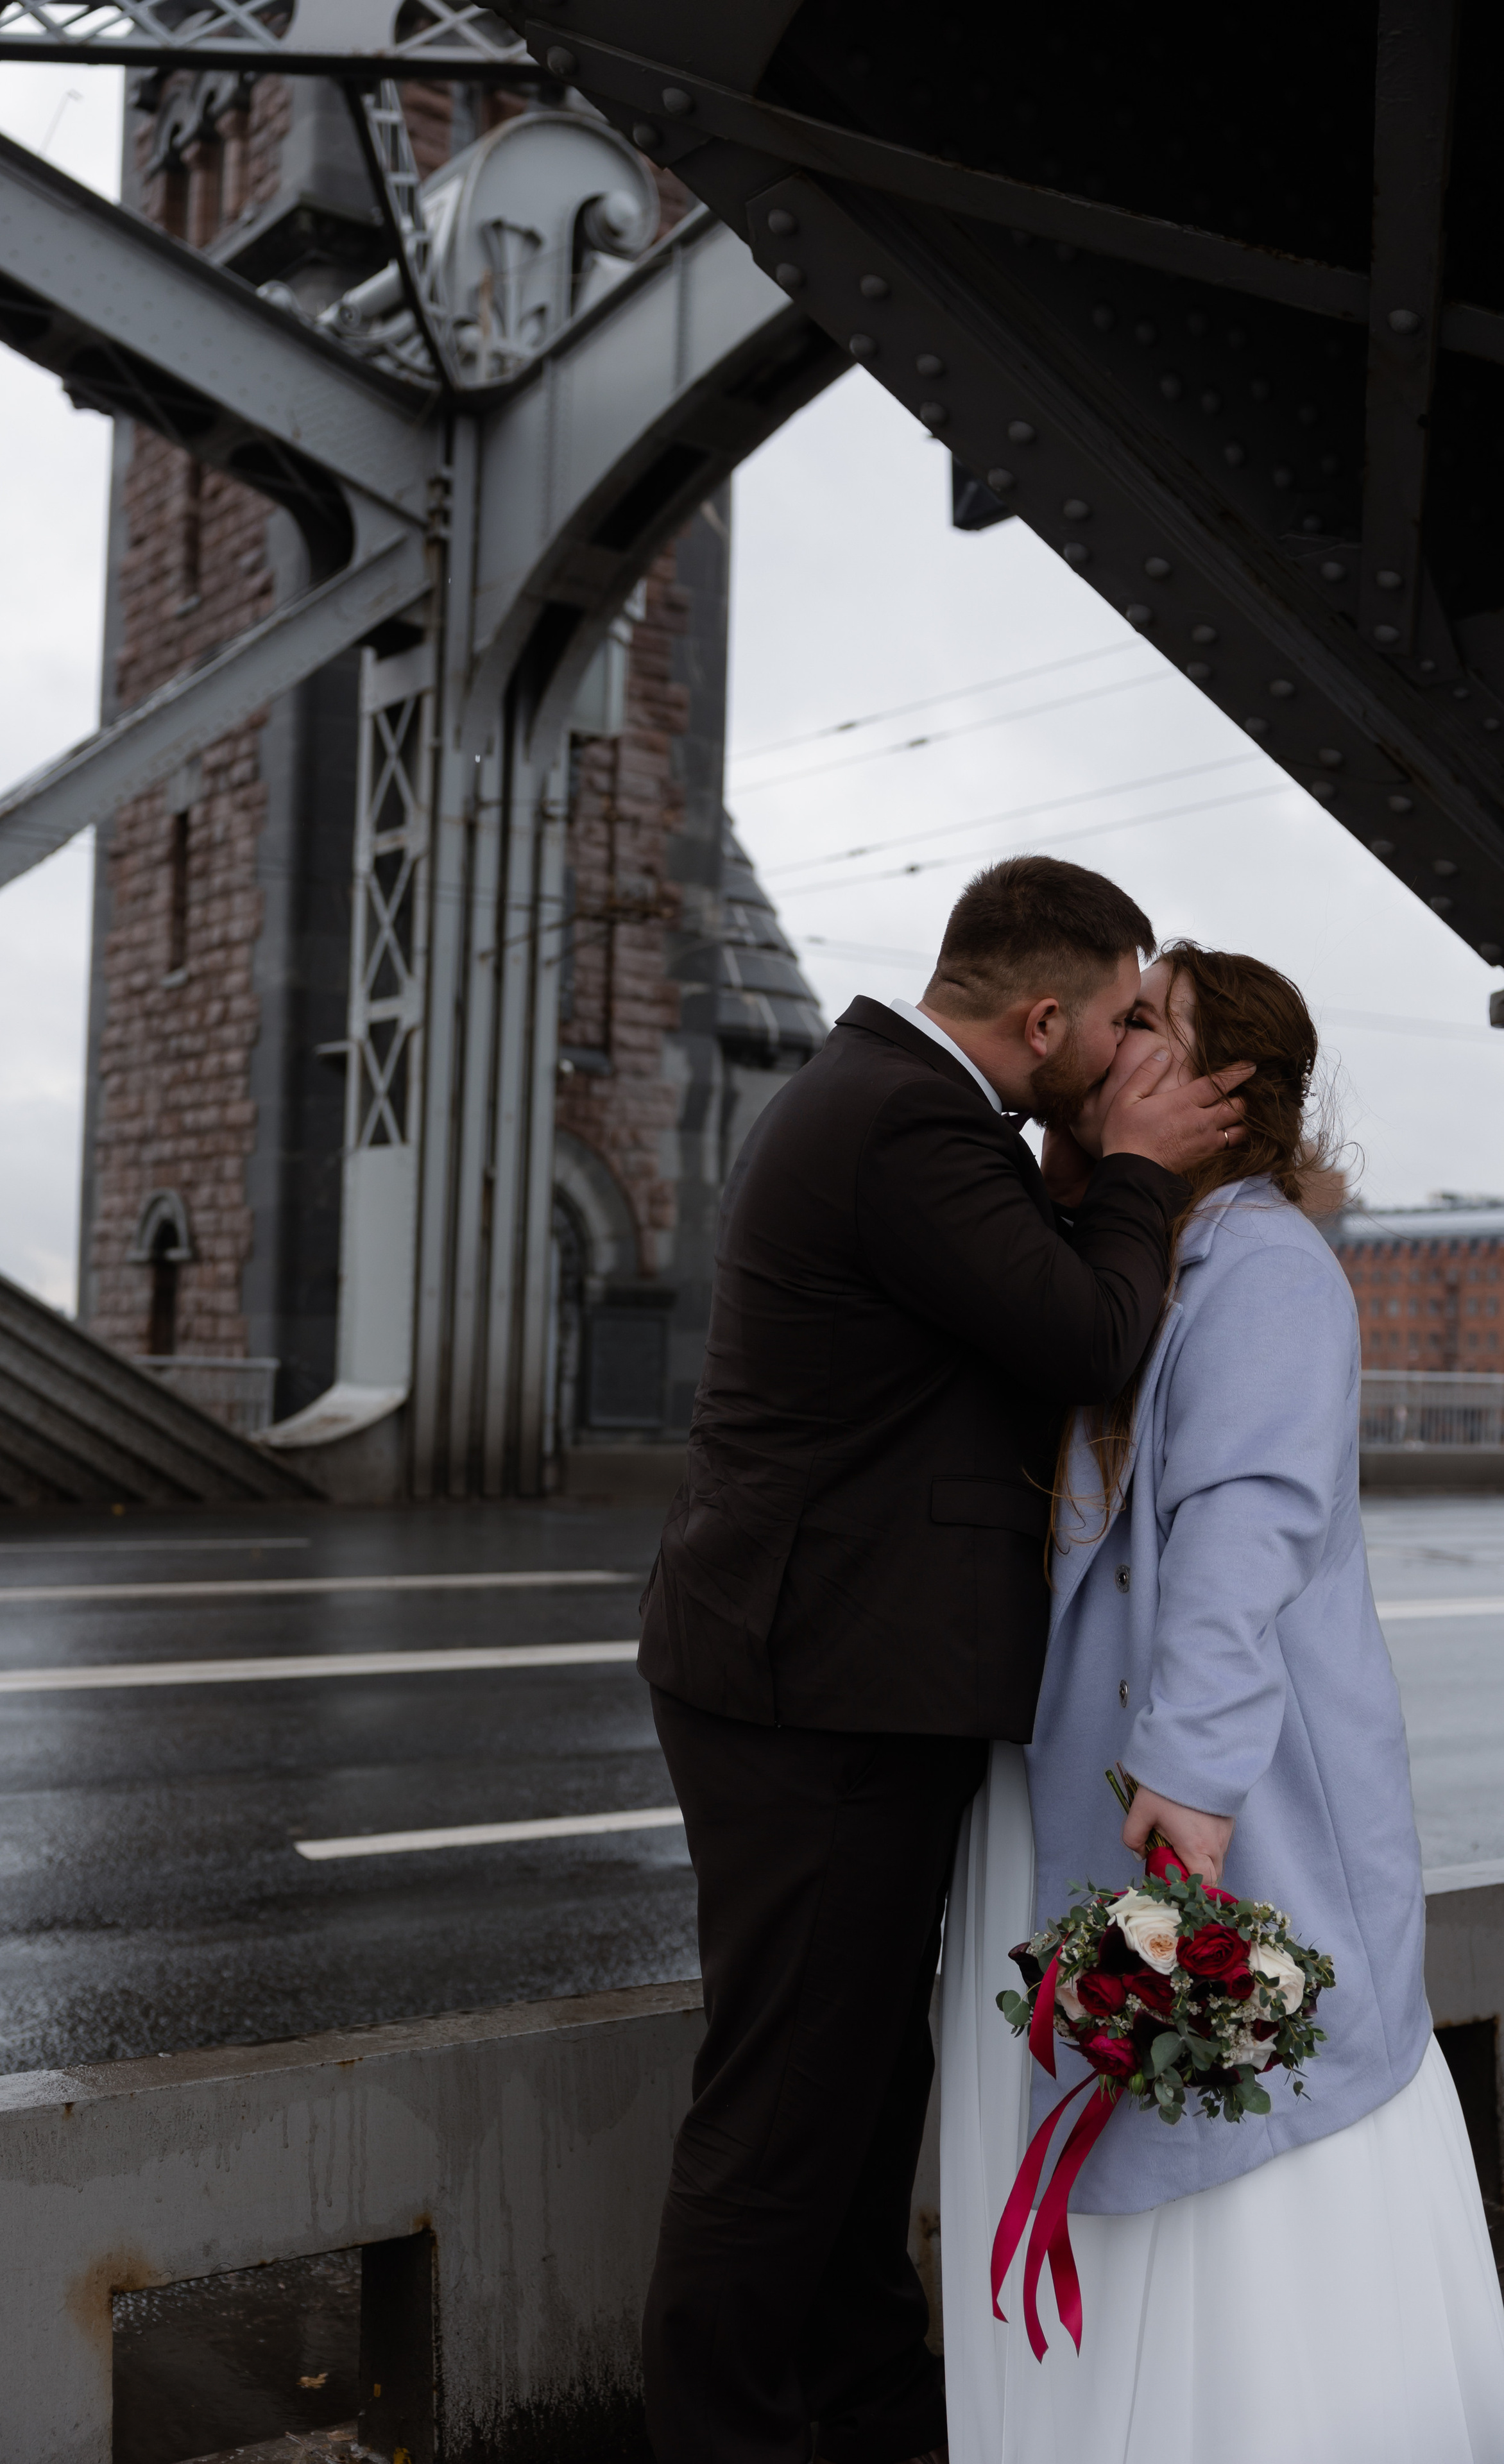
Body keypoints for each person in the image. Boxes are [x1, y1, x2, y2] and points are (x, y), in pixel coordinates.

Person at [637, 858, 1251, 2464]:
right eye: (1119, 1019)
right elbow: (1086, 1335)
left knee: (845, 2084)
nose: (1126, 1052)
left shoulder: (902, 1108)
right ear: (1040, 1015)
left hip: (822, 1675)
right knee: (783, 2104)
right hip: (812, 1690)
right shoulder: (907, 1120)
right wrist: (1124, 1169)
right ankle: (729, 2434)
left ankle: (868, 2399)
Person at [941, 943, 1504, 2463]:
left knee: (1242, 2117)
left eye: (1147, 1026)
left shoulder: (1262, 1269)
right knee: (1162, 2103)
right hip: (1099, 1780)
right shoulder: (1146, 1253)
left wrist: (1185, 1770)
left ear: (1221, 1087)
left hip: (1217, 1802)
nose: (1111, 1044)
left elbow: (1240, 1534)